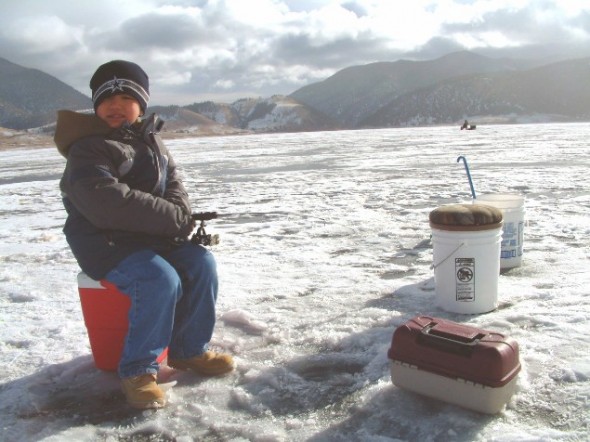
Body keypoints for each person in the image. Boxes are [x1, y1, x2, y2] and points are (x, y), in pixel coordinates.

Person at [55, 60, 234, 410]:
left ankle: (188, 351)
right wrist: (174, 220)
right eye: (106, 98)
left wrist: (179, 217)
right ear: (95, 106)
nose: (115, 104)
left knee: (201, 263)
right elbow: (107, 203)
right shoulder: (88, 148)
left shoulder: (153, 143)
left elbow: (175, 187)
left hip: (152, 237)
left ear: (142, 103)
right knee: (158, 279)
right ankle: (137, 371)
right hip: (105, 242)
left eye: (125, 96)